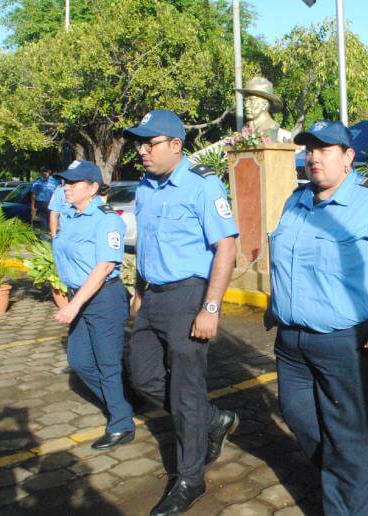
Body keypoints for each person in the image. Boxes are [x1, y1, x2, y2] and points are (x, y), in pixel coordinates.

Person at [267, 121, 368, 515]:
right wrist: (277, 305)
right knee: (299, 417)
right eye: (309, 149)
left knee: (349, 441)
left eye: (325, 149)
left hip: (350, 345)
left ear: (348, 157)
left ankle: (348, 489)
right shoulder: (296, 201)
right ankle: (348, 472)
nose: (313, 157)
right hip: (293, 345)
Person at [122, 110, 239, 516]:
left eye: (149, 143)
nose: (141, 150)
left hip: (190, 295)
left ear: (175, 144)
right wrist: (138, 292)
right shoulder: (145, 188)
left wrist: (211, 307)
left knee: (186, 392)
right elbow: (146, 245)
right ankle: (213, 419)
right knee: (142, 376)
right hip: (153, 296)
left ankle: (190, 478)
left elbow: (226, 246)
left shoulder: (202, 185)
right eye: (139, 143)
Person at [51, 160, 135, 449]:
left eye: (72, 183)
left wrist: (73, 306)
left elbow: (103, 267)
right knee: (80, 360)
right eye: (64, 183)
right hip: (80, 295)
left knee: (107, 364)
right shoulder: (70, 215)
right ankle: (123, 401)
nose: (66, 188)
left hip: (103, 298)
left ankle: (121, 424)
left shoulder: (107, 219)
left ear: (93, 188)